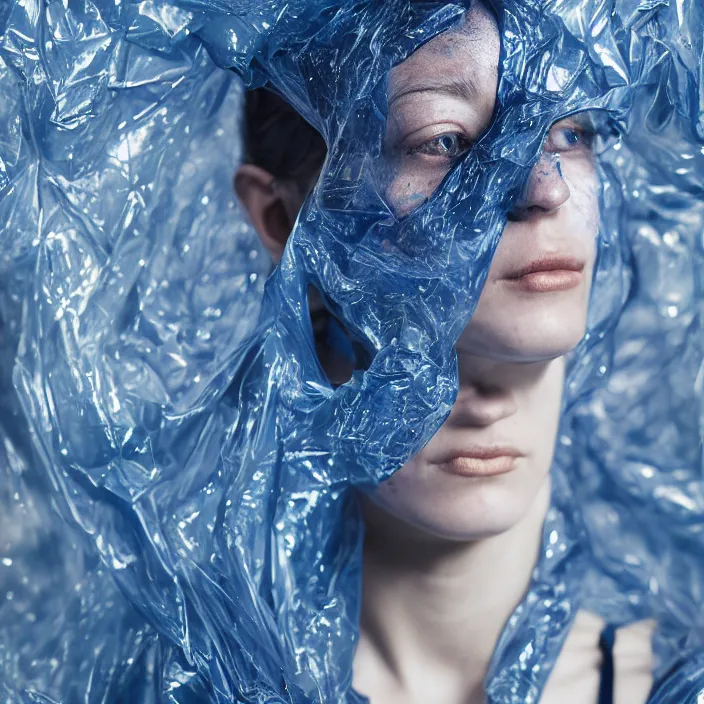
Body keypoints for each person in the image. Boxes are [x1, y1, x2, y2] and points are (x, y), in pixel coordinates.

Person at [236, 3, 655, 704]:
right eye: (446, 142)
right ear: (283, 218)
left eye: (573, 129)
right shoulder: (182, 673)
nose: (542, 186)